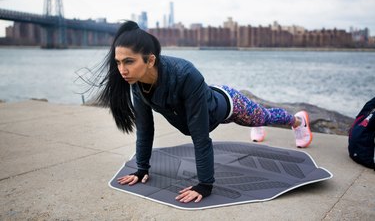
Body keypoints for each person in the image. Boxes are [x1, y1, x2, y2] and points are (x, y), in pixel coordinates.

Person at [92, 21, 313, 204]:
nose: (122, 70)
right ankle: (261, 124)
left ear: (150, 60)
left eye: (128, 62)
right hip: (204, 103)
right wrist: (141, 169)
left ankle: (297, 120)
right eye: (118, 62)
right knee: (255, 118)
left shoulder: (185, 74)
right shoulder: (136, 83)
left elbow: (200, 136)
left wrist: (205, 184)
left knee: (262, 116)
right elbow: (145, 128)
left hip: (228, 105)